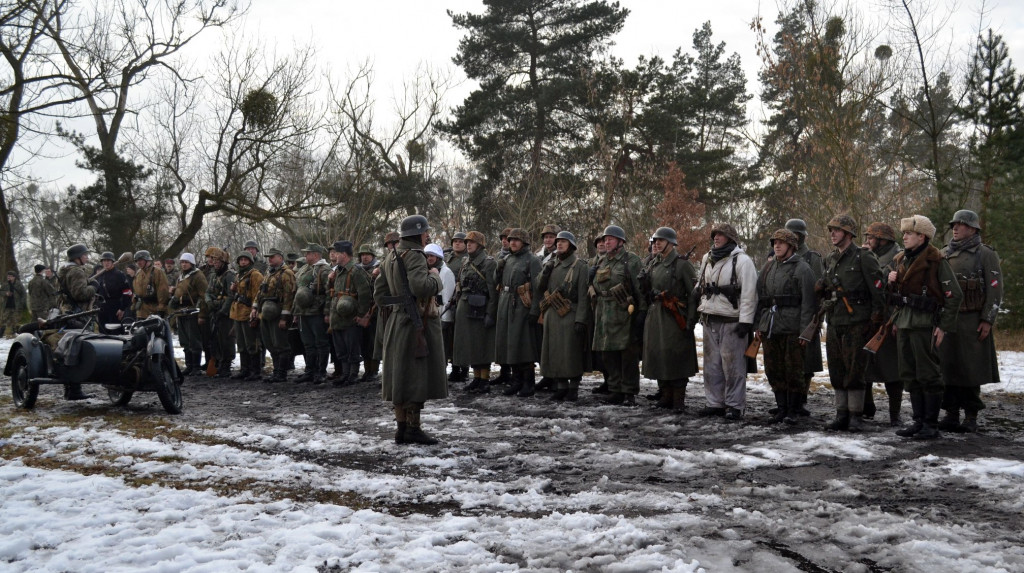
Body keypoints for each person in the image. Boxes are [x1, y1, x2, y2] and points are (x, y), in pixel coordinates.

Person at [374, 214, 447, 445]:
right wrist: (435, 278)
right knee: (416, 375)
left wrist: (398, 305)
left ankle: (401, 428)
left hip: (397, 322)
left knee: (400, 374)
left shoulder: (391, 258)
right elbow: (421, 287)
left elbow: (379, 295)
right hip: (417, 323)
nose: (428, 236)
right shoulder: (415, 256)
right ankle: (413, 429)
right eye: (426, 232)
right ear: (418, 234)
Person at [888, 215, 962, 440]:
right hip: (905, 322)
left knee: (928, 374)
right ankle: (918, 422)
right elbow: (896, 296)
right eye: (904, 234)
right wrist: (891, 280)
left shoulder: (936, 260)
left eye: (909, 233)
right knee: (909, 374)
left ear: (922, 236)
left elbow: (954, 295)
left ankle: (931, 424)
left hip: (925, 324)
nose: (905, 237)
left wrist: (943, 327)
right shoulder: (901, 259)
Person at [819, 214, 885, 432]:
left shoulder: (863, 257)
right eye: (831, 230)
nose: (833, 234)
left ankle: (856, 415)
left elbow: (878, 291)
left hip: (858, 321)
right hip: (836, 320)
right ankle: (842, 414)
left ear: (848, 234)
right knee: (837, 368)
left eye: (837, 230)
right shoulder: (830, 259)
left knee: (855, 369)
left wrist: (875, 321)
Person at [938, 210, 1002, 433]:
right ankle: (951, 413)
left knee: (970, 368)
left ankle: (971, 415)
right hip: (948, 320)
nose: (955, 228)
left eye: (961, 225)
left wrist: (987, 319)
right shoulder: (944, 253)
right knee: (947, 366)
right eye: (954, 224)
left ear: (973, 229)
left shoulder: (984, 254)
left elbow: (995, 290)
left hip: (972, 319)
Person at [695, 223, 758, 419]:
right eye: (715, 234)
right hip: (709, 317)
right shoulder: (707, 259)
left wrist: (746, 321)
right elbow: (701, 285)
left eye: (721, 235)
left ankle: (734, 405)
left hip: (732, 320)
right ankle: (715, 403)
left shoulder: (742, 261)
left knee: (733, 366)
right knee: (712, 365)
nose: (716, 237)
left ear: (730, 238)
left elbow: (749, 293)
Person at [755, 229, 816, 423]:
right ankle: (781, 407)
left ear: (791, 246)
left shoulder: (803, 268)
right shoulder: (768, 267)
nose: (777, 246)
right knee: (773, 368)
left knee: (794, 369)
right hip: (771, 325)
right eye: (775, 242)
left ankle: (793, 409)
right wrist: (759, 324)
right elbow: (761, 297)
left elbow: (809, 303)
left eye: (781, 242)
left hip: (793, 327)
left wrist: (806, 331)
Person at [641, 227, 699, 411]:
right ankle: (665, 395)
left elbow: (693, 295)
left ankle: (678, 400)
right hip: (656, 314)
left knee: (676, 356)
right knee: (658, 354)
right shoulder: (653, 263)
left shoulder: (682, 264)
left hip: (675, 316)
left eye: (661, 240)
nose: (656, 243)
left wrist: (691, 319)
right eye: (655, 240)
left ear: (671, 243)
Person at [591, 224, 647, 406]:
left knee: (627, 354)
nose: (606, 242)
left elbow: (640, 289)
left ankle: (629, 392)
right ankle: (615, 389)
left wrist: (642, 312)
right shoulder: (601, 261)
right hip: (603, 312)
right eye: (605, 239)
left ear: (621, 242)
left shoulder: (631, 260)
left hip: (624, 311)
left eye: (610, 239)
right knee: (608, 353)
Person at [537, 230, 592, 402]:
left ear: (571, 245)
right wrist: (546, 271)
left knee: (571, 353)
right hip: (552, 314)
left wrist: (581, 319)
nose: (559, 244)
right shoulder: (552, 264)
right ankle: (561, 386)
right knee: (554, 352)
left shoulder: (580, 266)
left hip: (570, 313)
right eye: (558, 242)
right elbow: (539, 286)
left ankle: (573, 388)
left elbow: (584, 296)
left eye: (563, 242)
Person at [863, 222, 904, 426]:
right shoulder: (869, 256)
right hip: (869, 316)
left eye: (871, 237)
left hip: (889, 317)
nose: (868, 241)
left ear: (883, 239)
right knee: (866, 363)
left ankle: (895, 414)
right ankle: (866, 407)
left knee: (892, 369)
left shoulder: (899, 258)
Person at [495, 227, 543, 398]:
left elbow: (538, 288)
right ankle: (516, 381)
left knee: (524, 345)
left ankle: (528, 382)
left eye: (516, 240)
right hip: (506, 303)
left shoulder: (533, 260)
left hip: (523, 305)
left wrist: (535, 310)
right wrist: (498, 268)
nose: (512, 242)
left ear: (524, 242)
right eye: (510, 239)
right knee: (510, 343)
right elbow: (497, 282)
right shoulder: (507, 259)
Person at [784, 218, 824, 416]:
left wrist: (817, 320)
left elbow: (819, 291)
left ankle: (801, 400)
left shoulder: (812, 258)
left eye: (793, 234)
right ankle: (789, 402)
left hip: (808, 315)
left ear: (800, 236)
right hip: (785, 317)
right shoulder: (779, 255)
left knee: (806, 362)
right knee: (786, 361)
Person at [453, 231, 499, 393]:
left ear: (480, 245)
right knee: (470, 345)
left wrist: (490, 314)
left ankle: (485, 379)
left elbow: (493, 292)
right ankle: (477, 377)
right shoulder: (466, 262)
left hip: (481, 308)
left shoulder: (489, 263)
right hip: (465, 307)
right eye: (467, 242)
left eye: (472, 242)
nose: (468, 245)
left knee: (482, 345)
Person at [328, 241, 373, 386]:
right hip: (338, 316)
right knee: (341, 348)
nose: (334, 256)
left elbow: (365, 294)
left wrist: (360, 315)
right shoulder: (338, 271)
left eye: (337, 253)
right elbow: (332, 293)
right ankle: (345, 373)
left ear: (344, 254)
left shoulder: (356, 271)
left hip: (350, 317)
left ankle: (353, 374)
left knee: (352, 347)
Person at [56, 244, 96, 400]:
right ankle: (74, 389)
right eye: (84, 255)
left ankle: (72, 389)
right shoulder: (76, 271)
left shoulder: (64, 270)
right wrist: (93, 287)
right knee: (79, 348)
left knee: (69, 347)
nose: (86, 257)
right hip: (78, 314)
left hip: (66, 311)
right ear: (77, 258)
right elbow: (81, 294)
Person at [253, 248, 296, 383]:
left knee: (280, 344)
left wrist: (284, 318)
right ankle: (276, 371)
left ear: (280, 257)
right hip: (265, 313)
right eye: (269, 257)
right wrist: (254, 307)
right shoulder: (268, 273)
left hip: (278, 314)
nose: (270, 259)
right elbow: (261, 292)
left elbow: (289, 296)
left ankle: (281, 373)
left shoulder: (286, 273)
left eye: (272, 257)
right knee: (269, 343)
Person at [293, 243, 332, 384]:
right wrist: (295, 312)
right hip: (303, 312)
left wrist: (327, 312)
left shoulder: (325, 270)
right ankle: (310, 371)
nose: (306, 255)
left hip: (317, 311)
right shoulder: (304, 269)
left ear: (316, 254)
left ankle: (321, 372)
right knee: (308, 343)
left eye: (308, 253)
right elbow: (297, 291)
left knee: (321, 343)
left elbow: (329, 294)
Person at [171, 253, 209, 376]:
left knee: (194, 341)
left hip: (193, 311)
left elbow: (204, 296)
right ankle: (189, 365)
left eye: (186, 262)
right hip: (181, 312)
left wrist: (202, 314)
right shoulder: (181, 276)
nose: (183, 264)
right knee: (185, 341)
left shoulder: (198, 276)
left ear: (191, 263)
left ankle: (196, 367)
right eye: (182, 262)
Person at [202, 247, 236, 378]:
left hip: (225, 313)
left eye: (217, 261)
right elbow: (208, 292)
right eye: (214, 261)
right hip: (214, 311)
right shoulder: (214, 275)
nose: (215, 263)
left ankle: (226, 364)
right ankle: (219, 362)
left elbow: (231, 296)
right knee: (216, 339)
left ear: (223, 262)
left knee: (226, 339)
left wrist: (223, 311)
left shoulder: (229, 275)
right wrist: (209, 302)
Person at [230, 251, 264, 381]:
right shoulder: (239, 275)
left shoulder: (255, 275)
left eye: (245, 260)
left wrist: (254, 311)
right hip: (238, 312)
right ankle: (244, 370)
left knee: (252, 343)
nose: (243, 262)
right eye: (241, 260)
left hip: (249, 312)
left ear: (250, 261)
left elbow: (258, 295)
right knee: (241, 344)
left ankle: (255, 371)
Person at [426, 243, 457, 382]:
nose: (429, 258)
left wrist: (445, 317)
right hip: (430, 315)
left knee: (441, 348)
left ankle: (439, 374)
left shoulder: (446, 272)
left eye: (432, 255)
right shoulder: (427, 271)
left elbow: (447, 297)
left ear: (438, 257)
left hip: (442, 315)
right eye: (427, 256)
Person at [444, 233, 470, 383]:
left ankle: (464, 368)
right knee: (449, 337)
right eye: (455, 242)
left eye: (461, 242)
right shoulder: (447, 258)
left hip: (462, 299)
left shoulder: (467, 259)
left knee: (461, 337)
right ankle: (454, 368)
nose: (458, 244)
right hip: (448, 300)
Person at [356, 244, 381, 382]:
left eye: (367, 254)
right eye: (362, 254)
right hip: (361, 310)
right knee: (363, 341)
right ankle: (366, 370)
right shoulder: (357, 270)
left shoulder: (378, 269)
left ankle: (374, 370)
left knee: (373, 341)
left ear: (372, 256)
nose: (365, 257)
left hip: (375, 310)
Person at [92, 252, 133, 333]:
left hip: (115, 307)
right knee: (103, 332)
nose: (106, 263)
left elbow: (127, 292)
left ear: (112, 262)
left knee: (115, 332)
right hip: (102, 308)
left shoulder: (119, 274)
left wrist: (122, 308)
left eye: (108, 261)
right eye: (104, 261)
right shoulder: (100, 275)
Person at [132, 250, 170, 319]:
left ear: (147, 260)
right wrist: (133, 305)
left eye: (140, 260)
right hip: (140, 311)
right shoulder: (138, 273)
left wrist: (161, 309)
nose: (138, 262)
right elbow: (136, 291)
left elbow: (163, 291)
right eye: (137, 260)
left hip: (153, 310)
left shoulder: (157, 272)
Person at [1, 270, 27, 338]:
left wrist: (21, 303)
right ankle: (1, 333)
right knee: (4, 319)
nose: (8, 277)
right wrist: (5, 293)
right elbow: (0, 291)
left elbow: (24, 294)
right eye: (8, 276)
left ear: (14, 277)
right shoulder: (5, 284)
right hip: (6, 305)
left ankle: (13, 333)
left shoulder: (19, 284)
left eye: (10, 276)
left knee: (14, 320)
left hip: (16, 305)